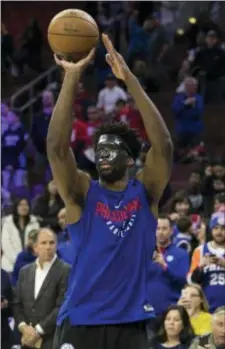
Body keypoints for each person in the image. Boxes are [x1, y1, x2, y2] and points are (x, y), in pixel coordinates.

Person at [47, 33, 173, 349]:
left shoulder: (145, 191)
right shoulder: (82, 194)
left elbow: (164, 146)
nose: (103, 154)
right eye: (99, 149)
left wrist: (129, 79)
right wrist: (71, 79)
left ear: (130, 159)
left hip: (131, 324)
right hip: (81, 321)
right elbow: (57, 149)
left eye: (112, 148)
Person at [14, 228, 70, 349]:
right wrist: (24, 327)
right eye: (43, 243)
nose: (48, 247)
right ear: (35, 248)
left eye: (52, 243)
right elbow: (17, 304)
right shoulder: (24, 271)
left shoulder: (65, 270)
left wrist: (38, 331)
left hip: (51, 340)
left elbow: (61, 306)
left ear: (56, 245)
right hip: (26, 340)